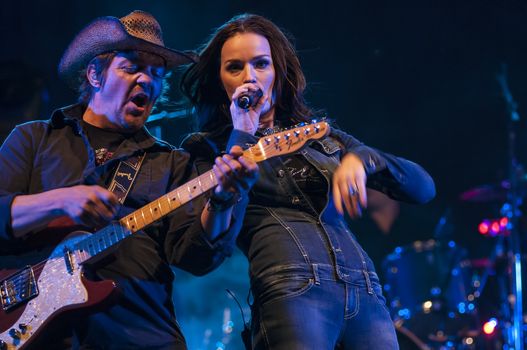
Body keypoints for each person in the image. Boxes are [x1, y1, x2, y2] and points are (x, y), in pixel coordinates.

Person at [0, 10, 258, 349]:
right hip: (34, 336)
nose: (147, 80)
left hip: (139, 336)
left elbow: (197, 257)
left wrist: (223, 198)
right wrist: (61, 200)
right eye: (132, 67)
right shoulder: (34, 139)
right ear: (94, 73)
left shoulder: (172, 164)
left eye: (156, 73)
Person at [180, 13, 436, 349]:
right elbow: (210, 248)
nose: (250, 78)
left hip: (365, 292)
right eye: (235, 68)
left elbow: (422, 188)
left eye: (261, 64)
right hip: (291, 291)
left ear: (278, 72)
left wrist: (362, 159)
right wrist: (242, 130)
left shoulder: (320, 137)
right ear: (220, 80)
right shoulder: (208, 148)